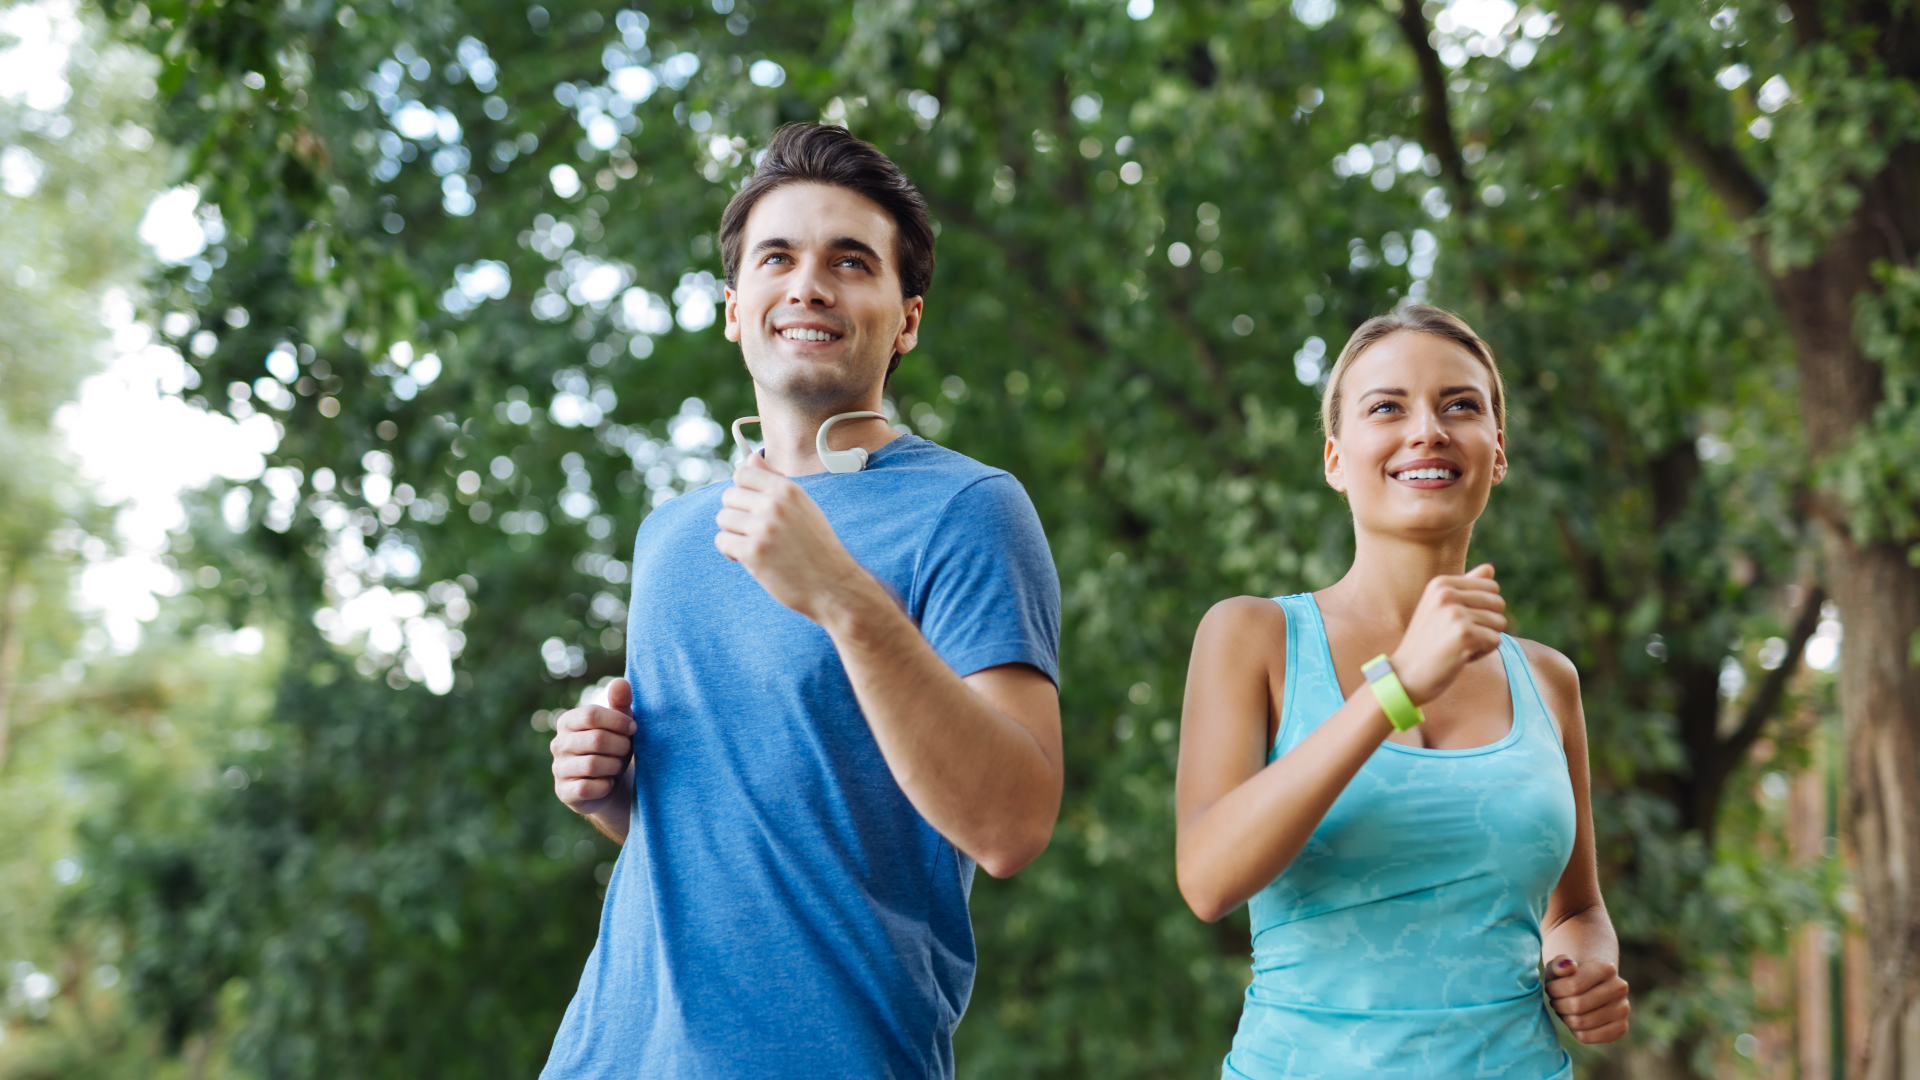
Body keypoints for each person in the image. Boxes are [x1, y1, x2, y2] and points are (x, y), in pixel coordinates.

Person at [540, 123, 1063, 1078]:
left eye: (850, 261)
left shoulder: (970, 510)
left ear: (905, 320)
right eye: (778, 257)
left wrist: (841, 596)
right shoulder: (670, 536)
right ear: (736, 310)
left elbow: (1012, 823)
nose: (809, 283)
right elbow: (762, 815)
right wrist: (617, 793)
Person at [1174, 306, 1630, 1078]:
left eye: (1461, 405)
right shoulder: (1250, 637)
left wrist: (1584, 964)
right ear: (1335, 460)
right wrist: (1395, 690)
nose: (1428, 430)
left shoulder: (1548, 680)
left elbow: (1577, 910)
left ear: (1497, 451)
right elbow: (1209, 880)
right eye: (1387, 407)